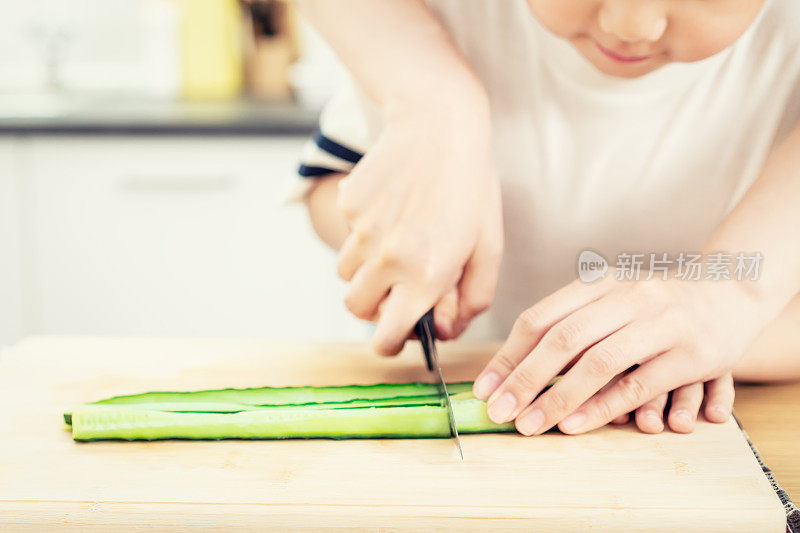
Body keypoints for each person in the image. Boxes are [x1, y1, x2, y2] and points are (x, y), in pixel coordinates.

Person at [291, 0, 800, 436]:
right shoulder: (445, 19)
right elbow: (327, 186)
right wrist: (400, 243)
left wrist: (706, 336)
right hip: (466, 369)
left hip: (731, 413)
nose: (631, 25)